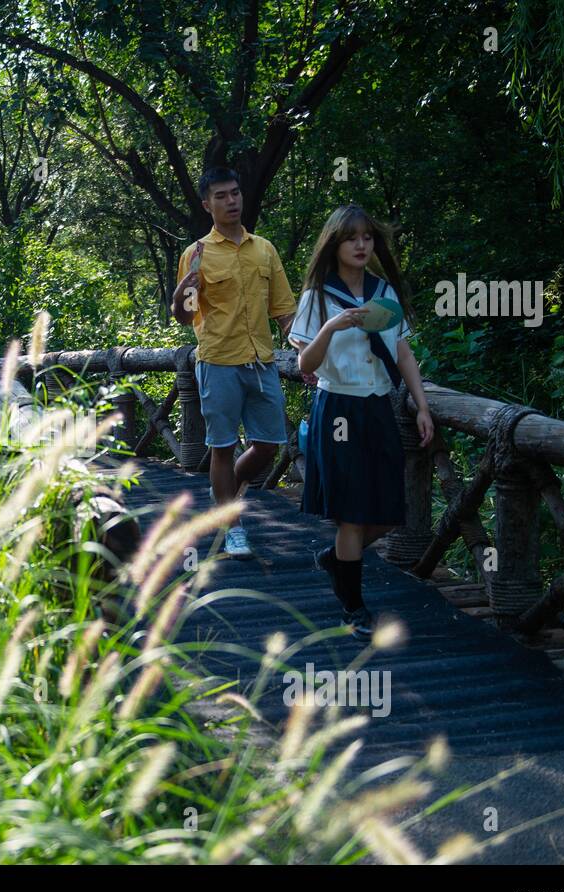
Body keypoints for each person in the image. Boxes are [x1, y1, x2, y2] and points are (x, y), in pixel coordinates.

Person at [286, 204, 434, 637]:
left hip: (377, 405)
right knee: (351, 514)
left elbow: (402, 351)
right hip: (339, 409)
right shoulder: (318, 295)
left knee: (387, 511)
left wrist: (422, 405)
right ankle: (353, 606)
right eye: (352, 238)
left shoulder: (383, 290)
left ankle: (337, 558)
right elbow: (304, 363)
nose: (361, 245)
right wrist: (330, 328)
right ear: (335, 243)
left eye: (367, 237)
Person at [171, 167, 298, 558]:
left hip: (262, 362)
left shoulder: (265, 249)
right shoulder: (196, 254)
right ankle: (231, 523)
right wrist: (182, 294)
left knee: (268, 444)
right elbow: (184, 316)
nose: (232, 201)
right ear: (207, 204)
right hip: (218, 362)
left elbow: (285, 313)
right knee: (222, 447)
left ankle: (221, 491)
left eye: (236, 193)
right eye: (222, 196)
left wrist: (307, 350)